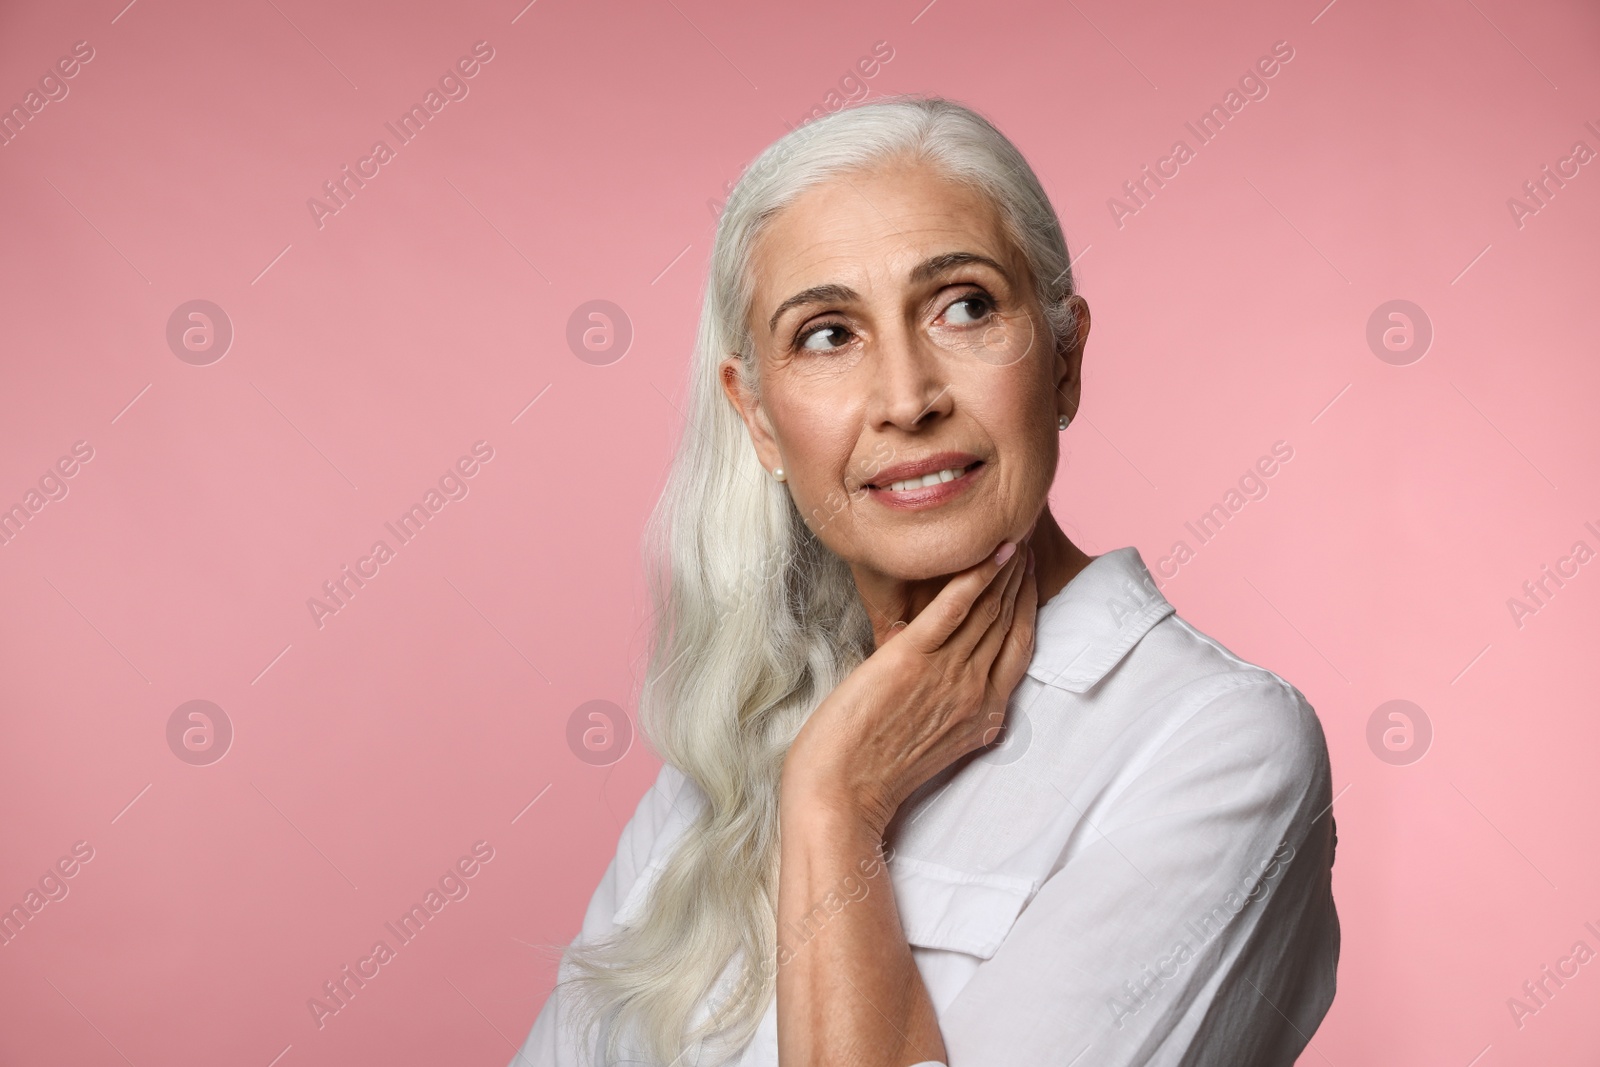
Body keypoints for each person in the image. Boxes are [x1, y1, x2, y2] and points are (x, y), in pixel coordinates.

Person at [511, 95, 1339, 1067]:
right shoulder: (719, 762)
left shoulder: (1215, 743)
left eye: (965, 306)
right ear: (760, 419)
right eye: (827, 334)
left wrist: (832, 802)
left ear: (1064, 357)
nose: (907, 398)